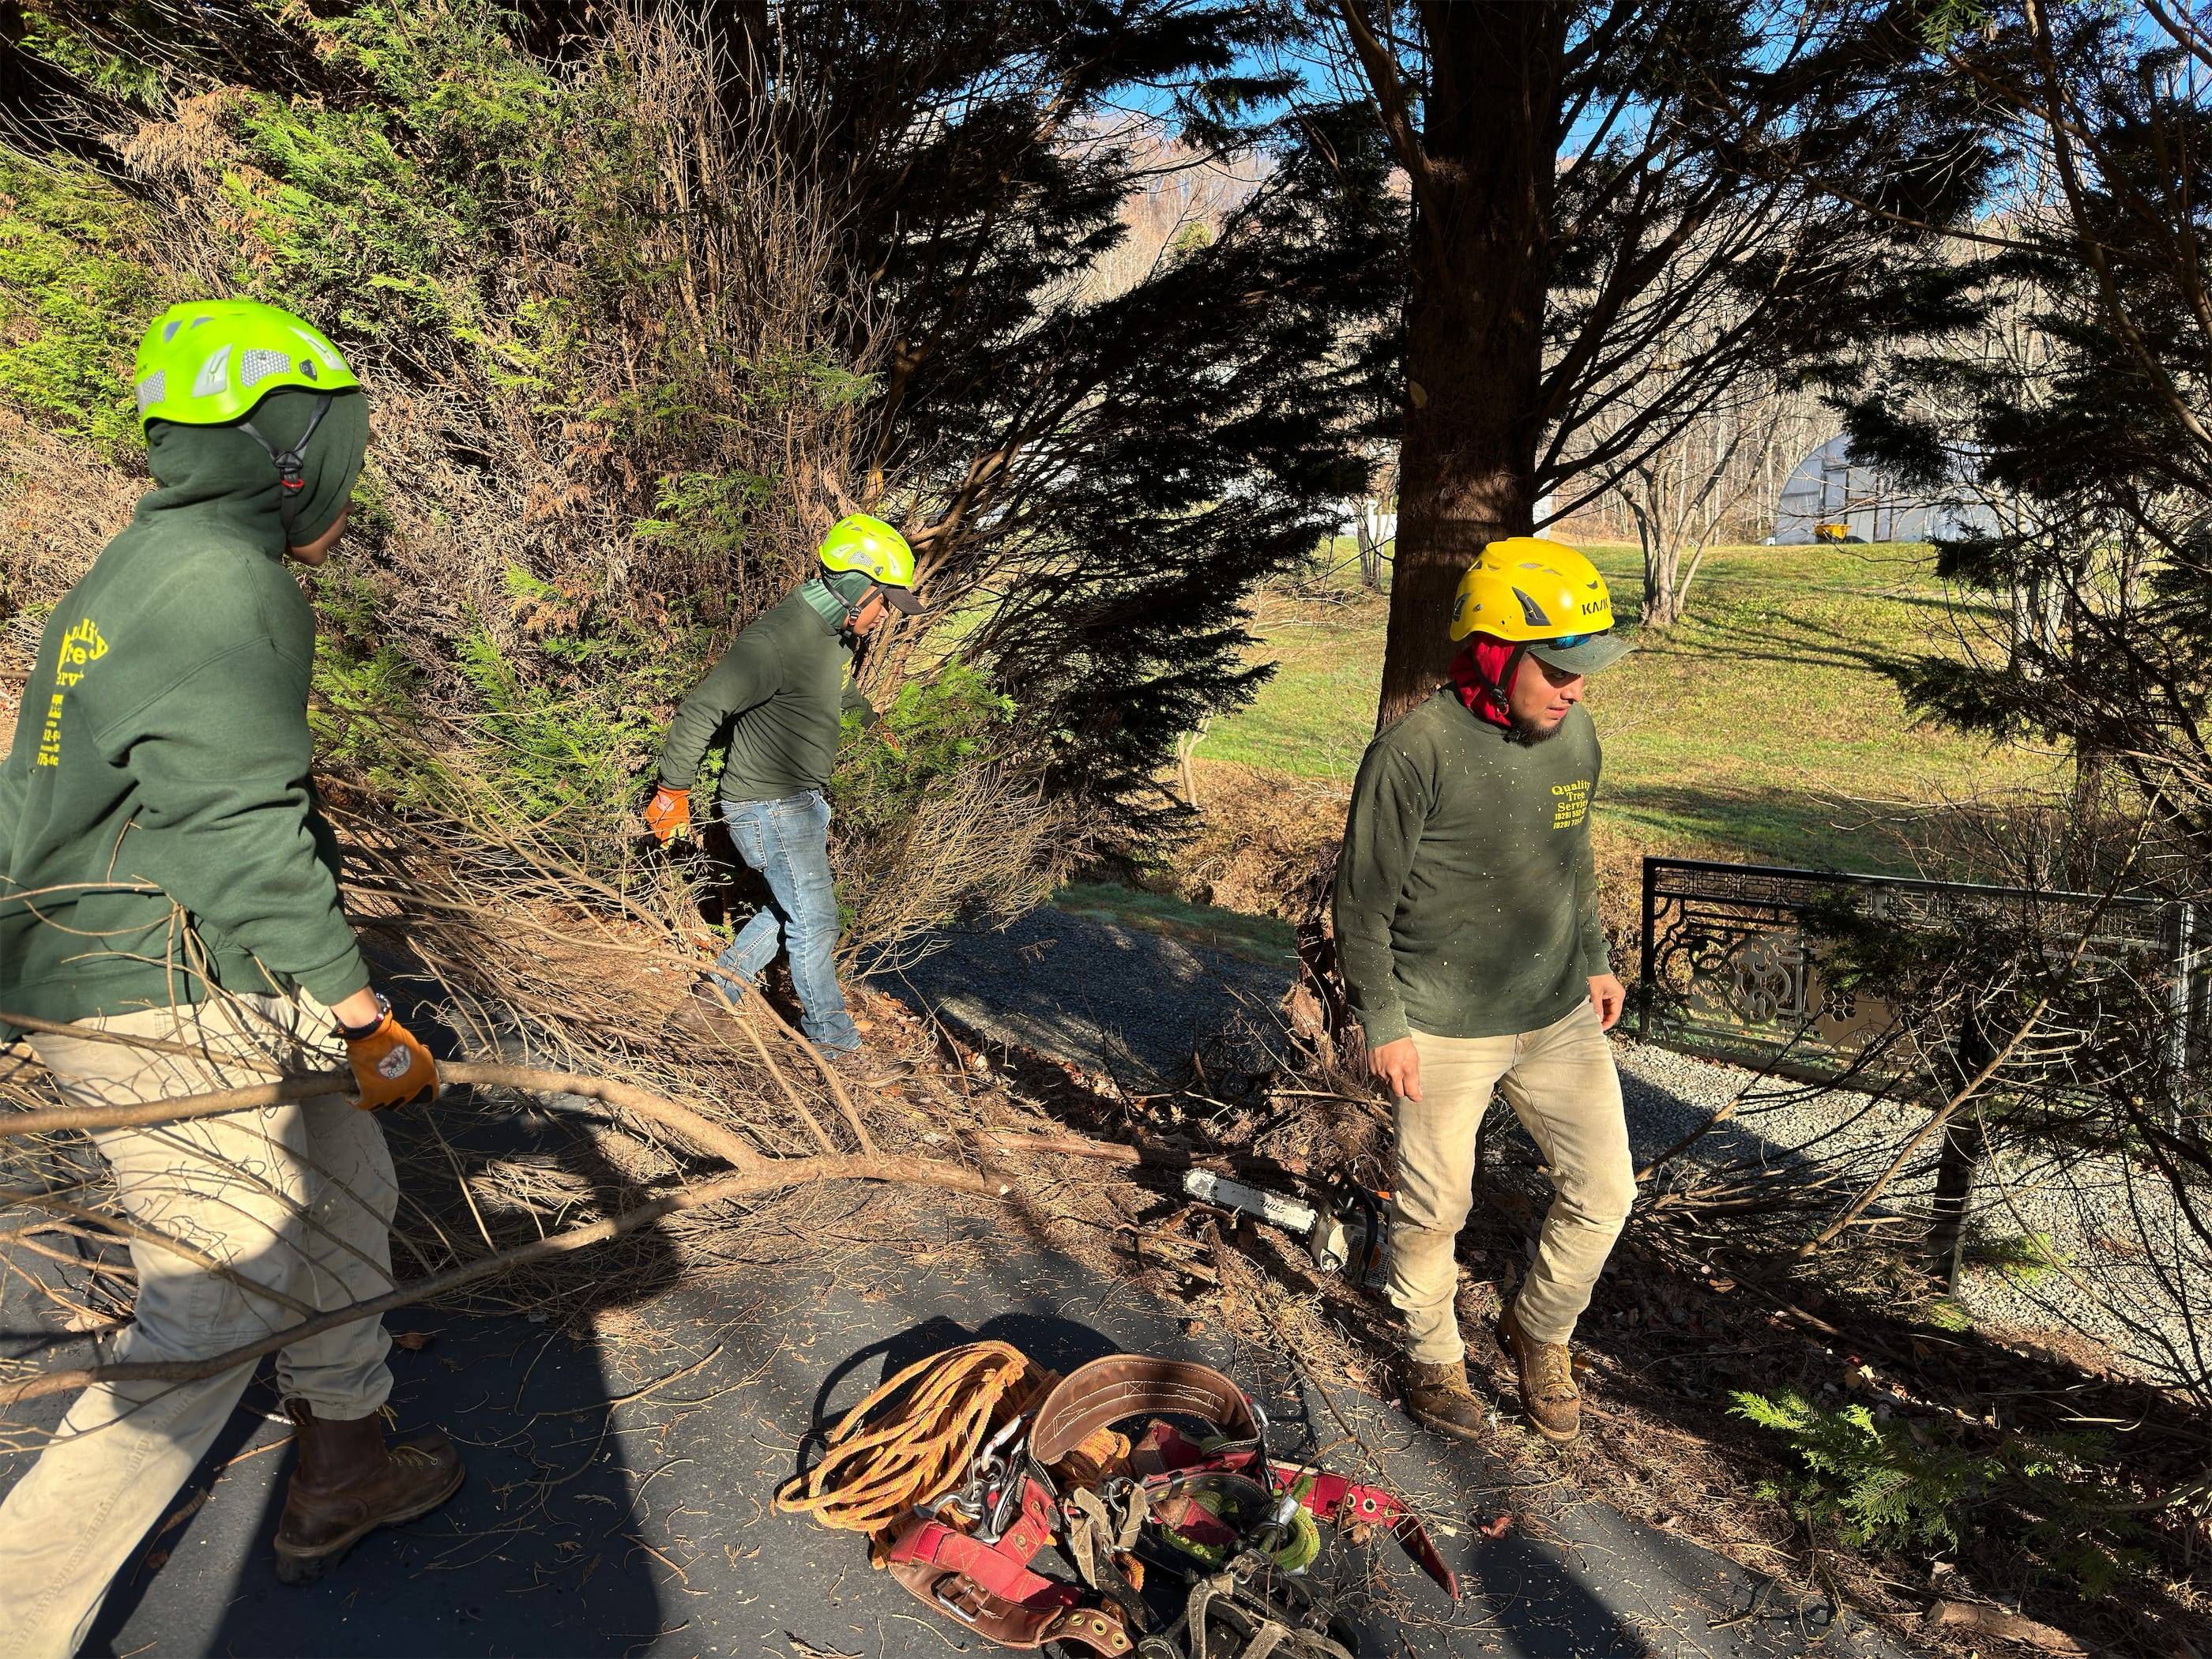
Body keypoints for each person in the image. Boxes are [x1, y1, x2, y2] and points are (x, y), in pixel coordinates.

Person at [0, 299, 460, 1653]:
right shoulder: (219, 584)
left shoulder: (140, 569)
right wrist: (361, 1008)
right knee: (217, 1303)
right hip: (159, 990)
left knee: (343, 1184)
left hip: (185, 970)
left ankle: (346, 1463)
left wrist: (319, 995)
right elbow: (238, 827)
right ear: (292, 449)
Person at [1331, 536, 1636, 1446]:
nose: (1576, 687)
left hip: (1555, 1015)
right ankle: (1432, 1358)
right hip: (1439, 1030)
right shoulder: (1412, 753)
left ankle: (1538, 1331)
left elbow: (1567, 854)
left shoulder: (1572, 732)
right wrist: (1382, 1020)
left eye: (1584, 669)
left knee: (1605, 1192)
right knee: (1434, 1214)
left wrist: (1593, 953)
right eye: (1558, 668)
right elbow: (1361, 904)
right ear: (1496, 655)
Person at [645, 516, 923, 1085]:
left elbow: (830, 688)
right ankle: (838, 1049)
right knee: (816, 922)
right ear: (855, 587)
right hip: (769, 807)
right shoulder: (775, 639)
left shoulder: (828, 637)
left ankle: (714, 998)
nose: (885, 614)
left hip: (798, 804)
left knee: (788, 912)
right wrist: (673, 791)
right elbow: (703, 710)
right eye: (884, 602)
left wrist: (872, 723)